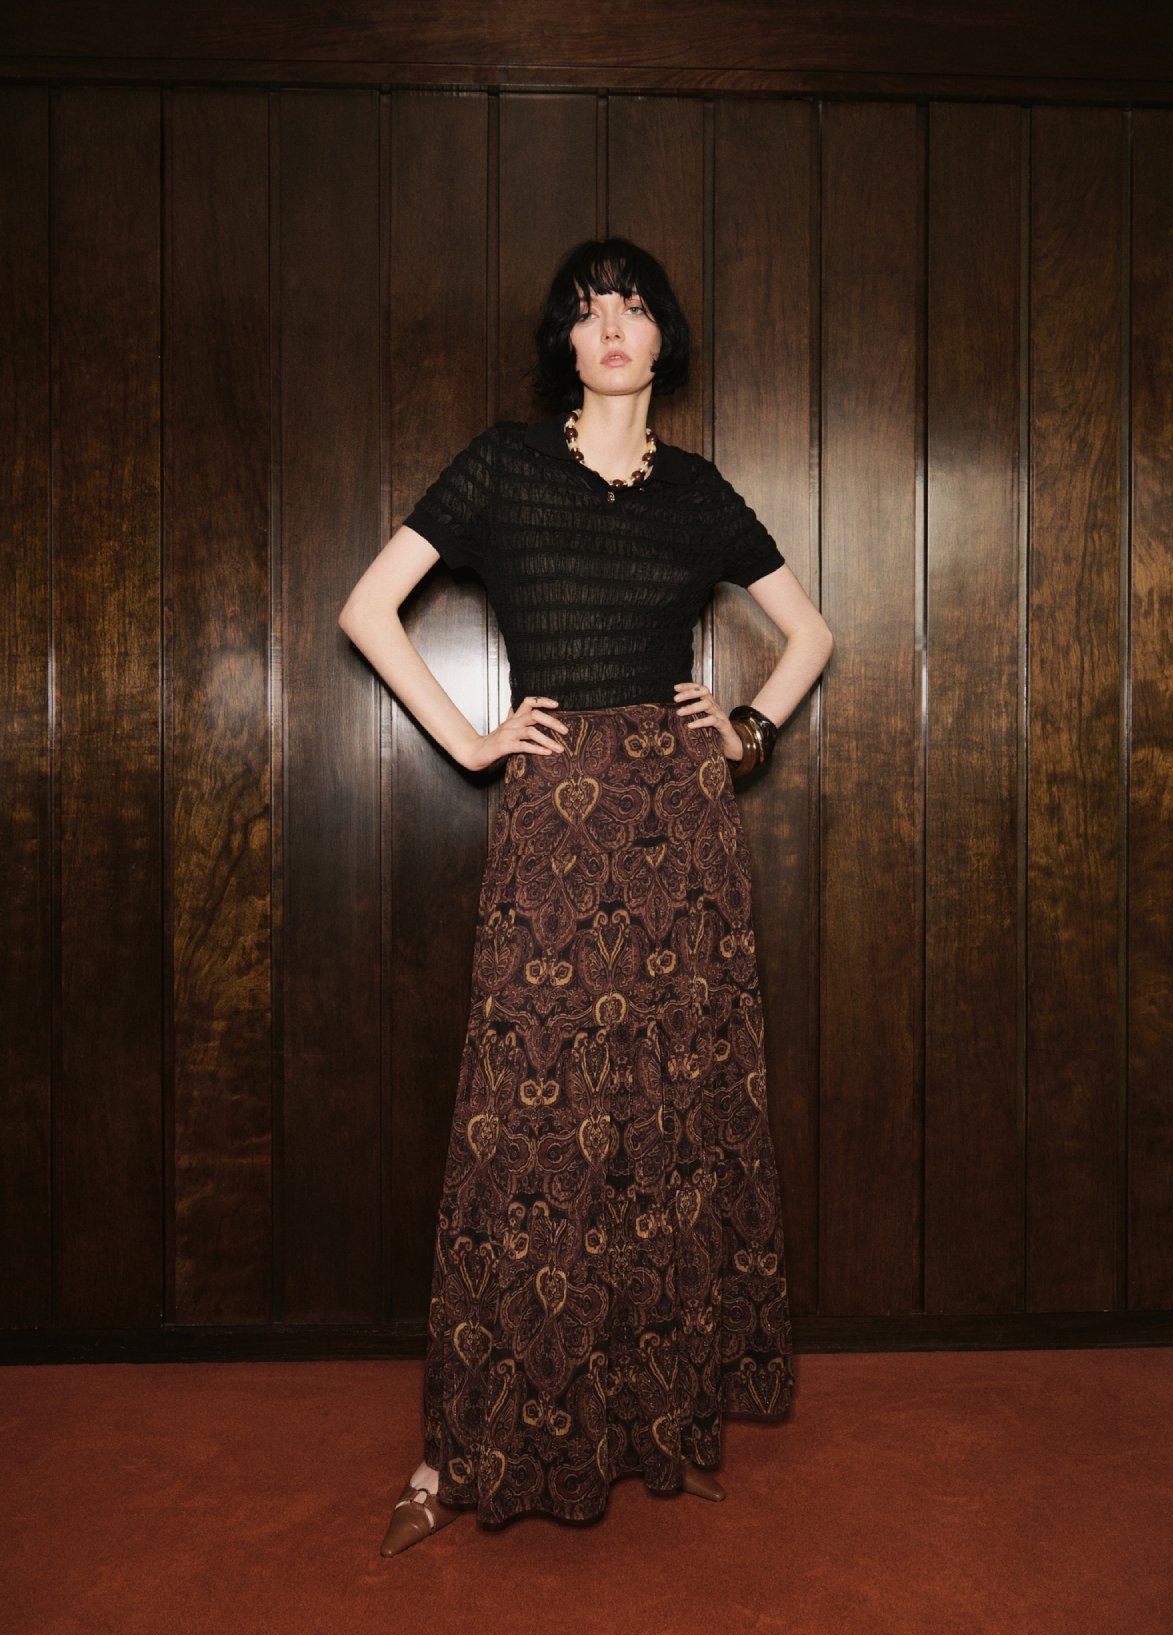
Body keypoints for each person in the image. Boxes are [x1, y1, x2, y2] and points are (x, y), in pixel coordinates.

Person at [337, 236, 834, 1557]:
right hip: (556, 823)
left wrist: (746, 727)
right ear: (565, 343)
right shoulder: (505, 465)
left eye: (633, 307)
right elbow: (368, 609)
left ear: (663, 339)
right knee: (530, 1121)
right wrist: (471, 740)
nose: (611, 326)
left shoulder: (699, 492)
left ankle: (664, 1415)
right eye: (587, 310)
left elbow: (813, 634)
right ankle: (462, 1448)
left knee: (672, 1111)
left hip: (680, 828)